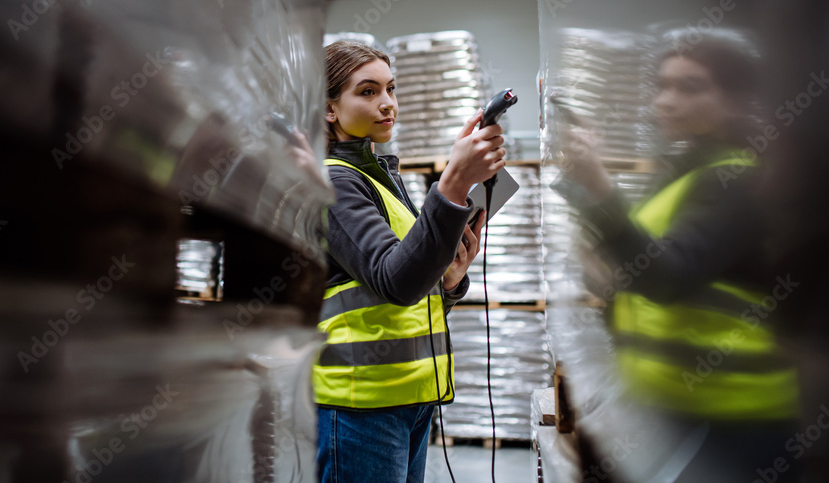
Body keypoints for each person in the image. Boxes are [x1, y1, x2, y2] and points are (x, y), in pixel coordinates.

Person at [559, 29, 800, 482]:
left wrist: (601, 190)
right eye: (662, 86)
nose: (665, 102)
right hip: (671, 410)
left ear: (736, 99)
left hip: (734, 421)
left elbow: (669, 277)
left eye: (689, 87)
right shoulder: (682, 175)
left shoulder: (737, 180)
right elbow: (643, 268)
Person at [313, 40, 506, 483]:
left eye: (391, 89)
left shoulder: (381, 181)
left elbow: (411, 285)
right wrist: (452, 184)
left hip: (412, 400)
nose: (388, 104)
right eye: (367, 92)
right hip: (361, 405)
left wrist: (451, 282)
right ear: (328, 109)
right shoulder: (332, 182)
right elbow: (394, 281)